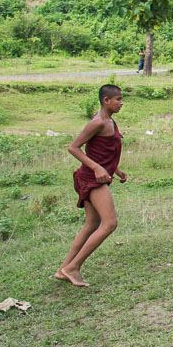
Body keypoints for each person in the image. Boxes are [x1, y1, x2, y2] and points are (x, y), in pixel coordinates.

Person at [55, 84, 127, 287]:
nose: (121, 103)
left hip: (97, 176)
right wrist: (97, 168)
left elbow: (103, 152)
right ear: (106, 100)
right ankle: (73, 268)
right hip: (91, 179)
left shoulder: (109, 121)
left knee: (92, 225)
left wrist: (116, 169)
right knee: (110, 224)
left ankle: (63, 269)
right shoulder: (97, 123)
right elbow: (74, 148)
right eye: (118, 99)